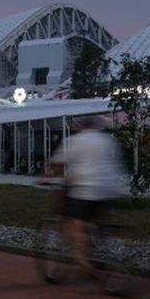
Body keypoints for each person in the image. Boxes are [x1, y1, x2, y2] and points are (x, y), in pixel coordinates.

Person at [49, 114, 124, 276]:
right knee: (93, 219)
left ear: (79, 126)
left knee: (68, 221)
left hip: (86, 188)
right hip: (110, 188)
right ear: (97, 125)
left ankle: (85, 264)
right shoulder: (108, 139)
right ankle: (99, 241)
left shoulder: (74, 141)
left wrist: (47, 179)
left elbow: (56, 164)